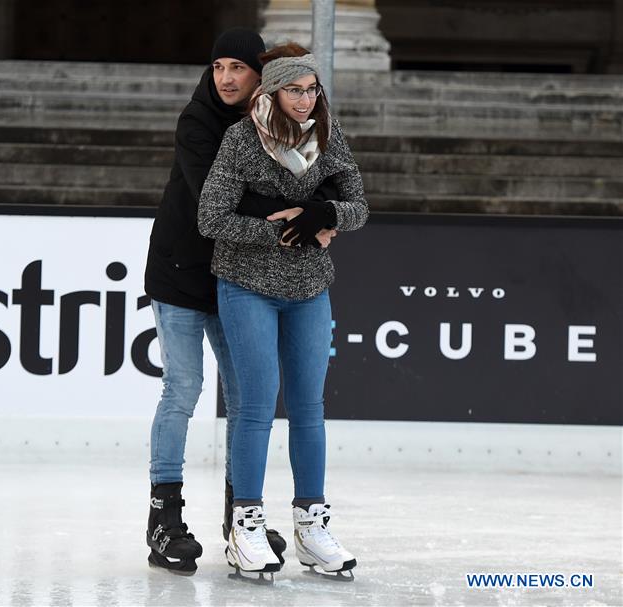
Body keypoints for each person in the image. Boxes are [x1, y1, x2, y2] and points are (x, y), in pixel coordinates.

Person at [144, 28, 334, 575]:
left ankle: (240, 517)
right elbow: (217, 198)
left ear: (263, 77)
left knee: (248, 398)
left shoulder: (278, 123)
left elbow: (315, 170)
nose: (226, 77)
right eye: (218, 66)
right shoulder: (198, 121)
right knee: (183, 389)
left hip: (240, 278)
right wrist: (305, 215)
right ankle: (164, 517)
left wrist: (322, 207)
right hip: (182, 275)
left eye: (238, 68)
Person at [197, 43, 368, 579]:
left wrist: (324, 209)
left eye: (311, 89)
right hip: (247, 286)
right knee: (254, 405)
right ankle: (245, 525)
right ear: (272, 92)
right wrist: (280, 229)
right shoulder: (242, 139)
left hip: (311, 289)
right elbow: (210, 218)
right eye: (294, 89)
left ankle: (311, 525)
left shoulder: (327, 135)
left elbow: (359, 207)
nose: (305, 99)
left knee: (308, 407)